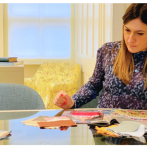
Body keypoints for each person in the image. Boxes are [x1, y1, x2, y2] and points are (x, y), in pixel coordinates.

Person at [53, 3, 147, 110]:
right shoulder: (108, 51)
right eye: (127, 30)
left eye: (139, 33)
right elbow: (93, 86)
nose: (130, 39)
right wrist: (73, 101)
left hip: (142, 126)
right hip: (105, 124)